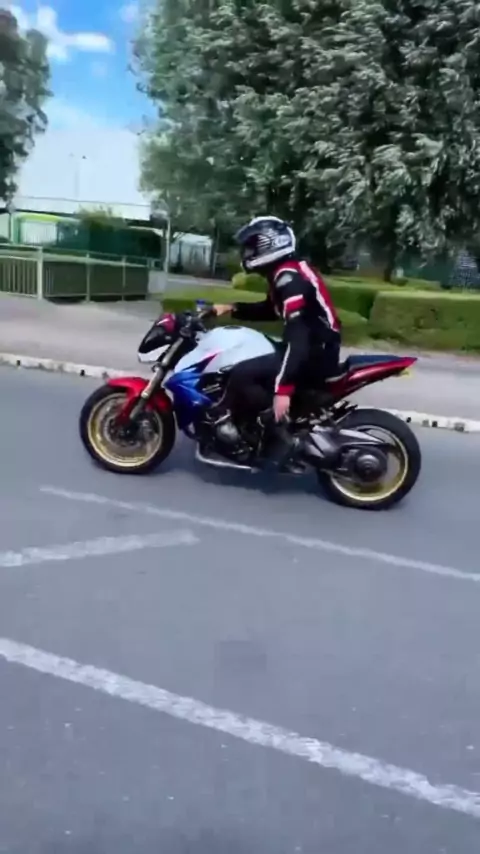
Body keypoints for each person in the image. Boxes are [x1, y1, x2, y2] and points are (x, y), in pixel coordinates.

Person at [212, 215, 342, 469]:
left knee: (242, 373)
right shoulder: (285, 273)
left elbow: (299, 336)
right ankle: (253, 425)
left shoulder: (290, 279)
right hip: (316, 347)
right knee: (249, 359)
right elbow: (271, 310)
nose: (247, 253)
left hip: (316, 352)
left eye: (252, 246)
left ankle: (275, 430)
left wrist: (283, 390)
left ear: (270, 244)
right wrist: (232, 308)